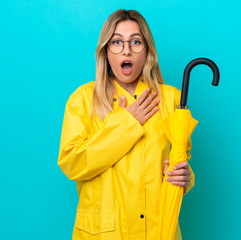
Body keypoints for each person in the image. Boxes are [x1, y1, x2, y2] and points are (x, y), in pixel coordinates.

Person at [58, 9, 195, 240]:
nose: (127, 50)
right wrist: (127, 123)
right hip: (104, 233)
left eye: (136, 42)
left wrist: (185, 177)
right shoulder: (82, 100)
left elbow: (181, 160)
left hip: (158, 230)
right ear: (105, 50)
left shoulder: (172, 100)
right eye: (117, 42)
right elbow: (72, 163)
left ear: (148, 50)